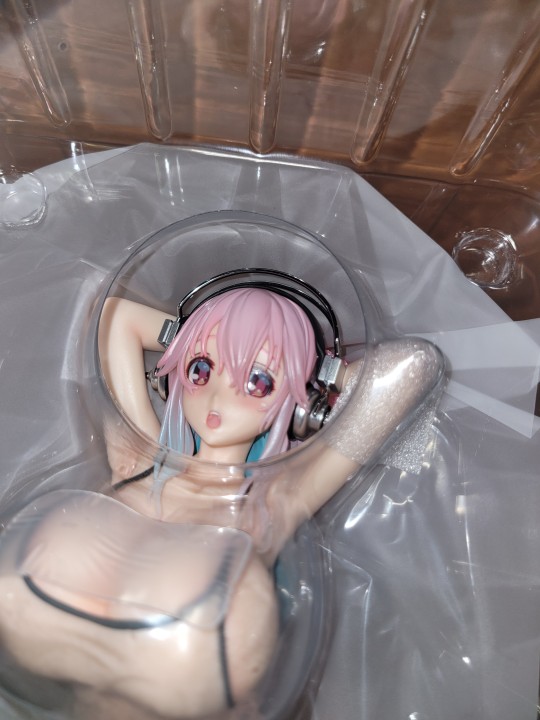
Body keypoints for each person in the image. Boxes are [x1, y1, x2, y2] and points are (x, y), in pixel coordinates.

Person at [0, 280, 445, 719]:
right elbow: (114, 316)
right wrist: (194, 335)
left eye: (257, 381)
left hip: (160, 689)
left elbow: (413, 367)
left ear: (300, 404)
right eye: (201, 370)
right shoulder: (138, 458)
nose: (218, 397)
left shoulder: (272, 502)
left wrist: (318, 375)